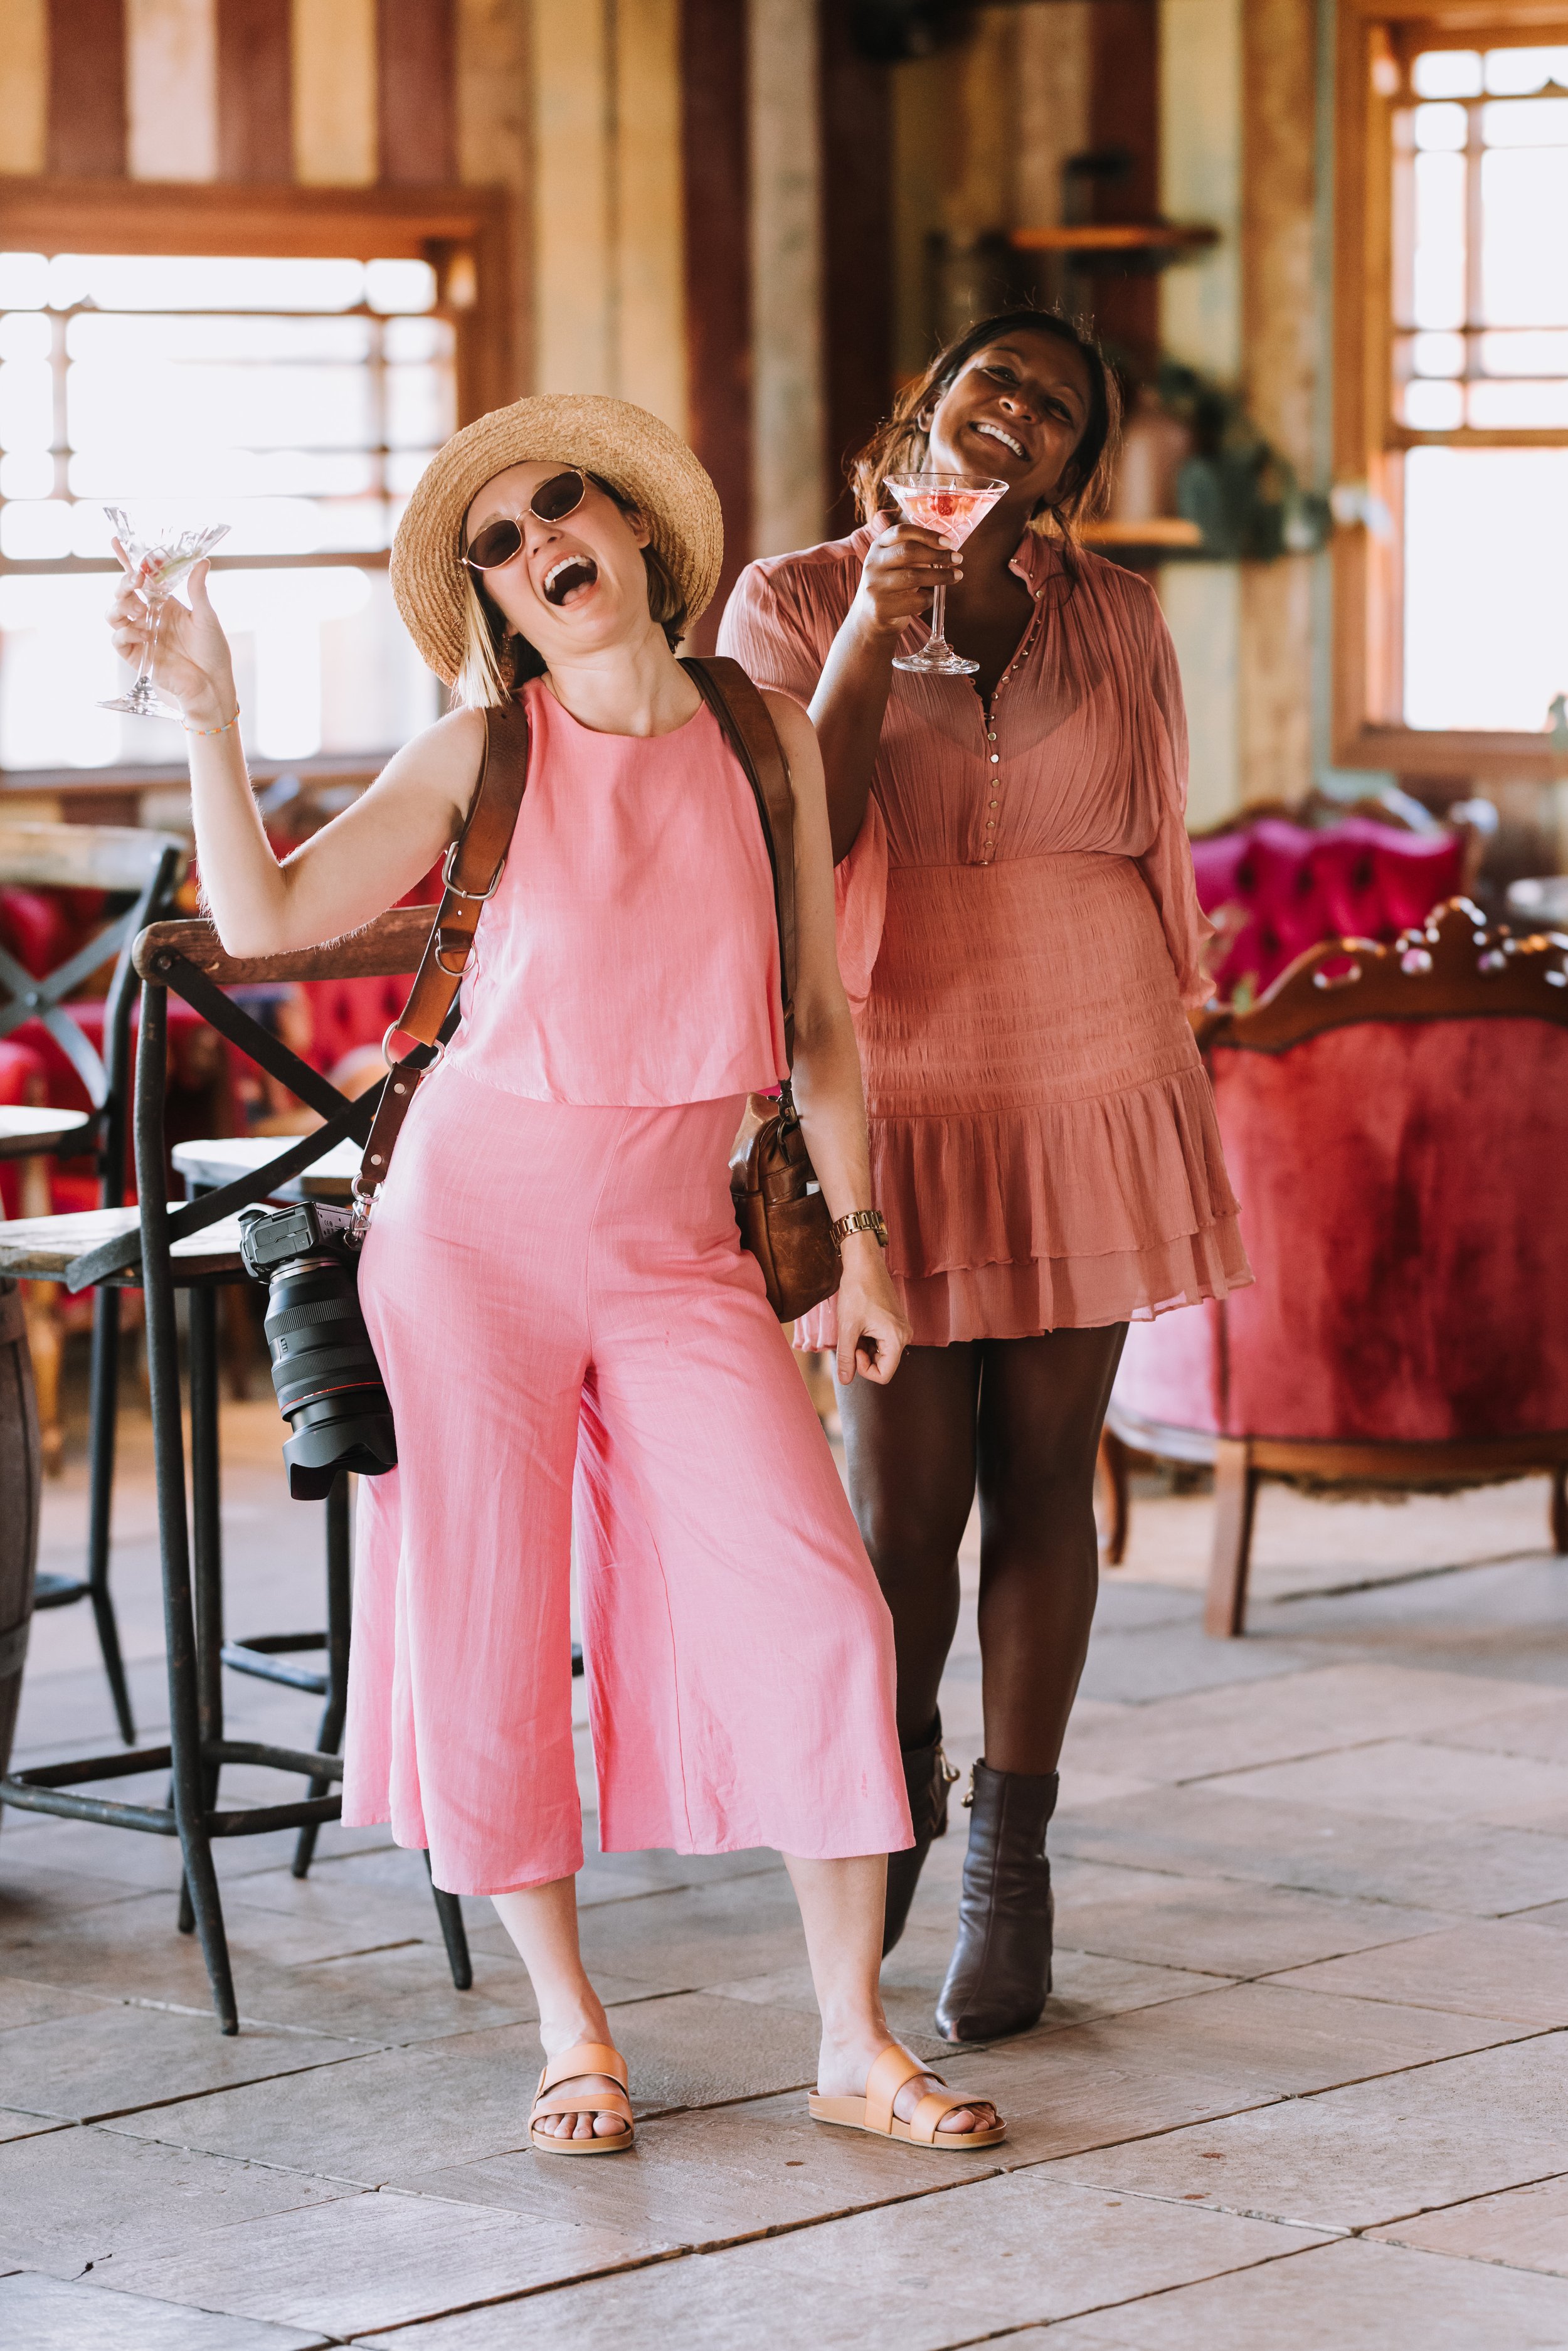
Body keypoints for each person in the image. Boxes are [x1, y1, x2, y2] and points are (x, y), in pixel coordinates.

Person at [107, 394, 1004, 2157]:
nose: (537, 550)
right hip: (472, 1248)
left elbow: (817, 1022)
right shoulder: (481, 751)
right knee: (493, 1626)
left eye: (558, 510)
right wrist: (211, 716)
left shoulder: (762, 736)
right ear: (493, 603)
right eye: (497, 548)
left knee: (823, 1608)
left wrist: (869, 1243)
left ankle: (847, 2036)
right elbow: (273, 914)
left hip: (680, 1247)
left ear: (641, 535)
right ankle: (569, 2027)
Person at [720, 312, 1250, 2043]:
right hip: (893, 1086)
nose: (1010, 411)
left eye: (1052, 407)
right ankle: (899, 1768)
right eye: (989, 382)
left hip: (1092, 1068)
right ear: (928, 405)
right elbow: (807, 827)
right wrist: (877, 631)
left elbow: (1155, 827)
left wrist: (1181, 1042)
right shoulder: (792, 600)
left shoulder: (1116, 614)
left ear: (1071, 470)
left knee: (1044, 1476)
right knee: (902, 1508)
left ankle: (1006, 1865)